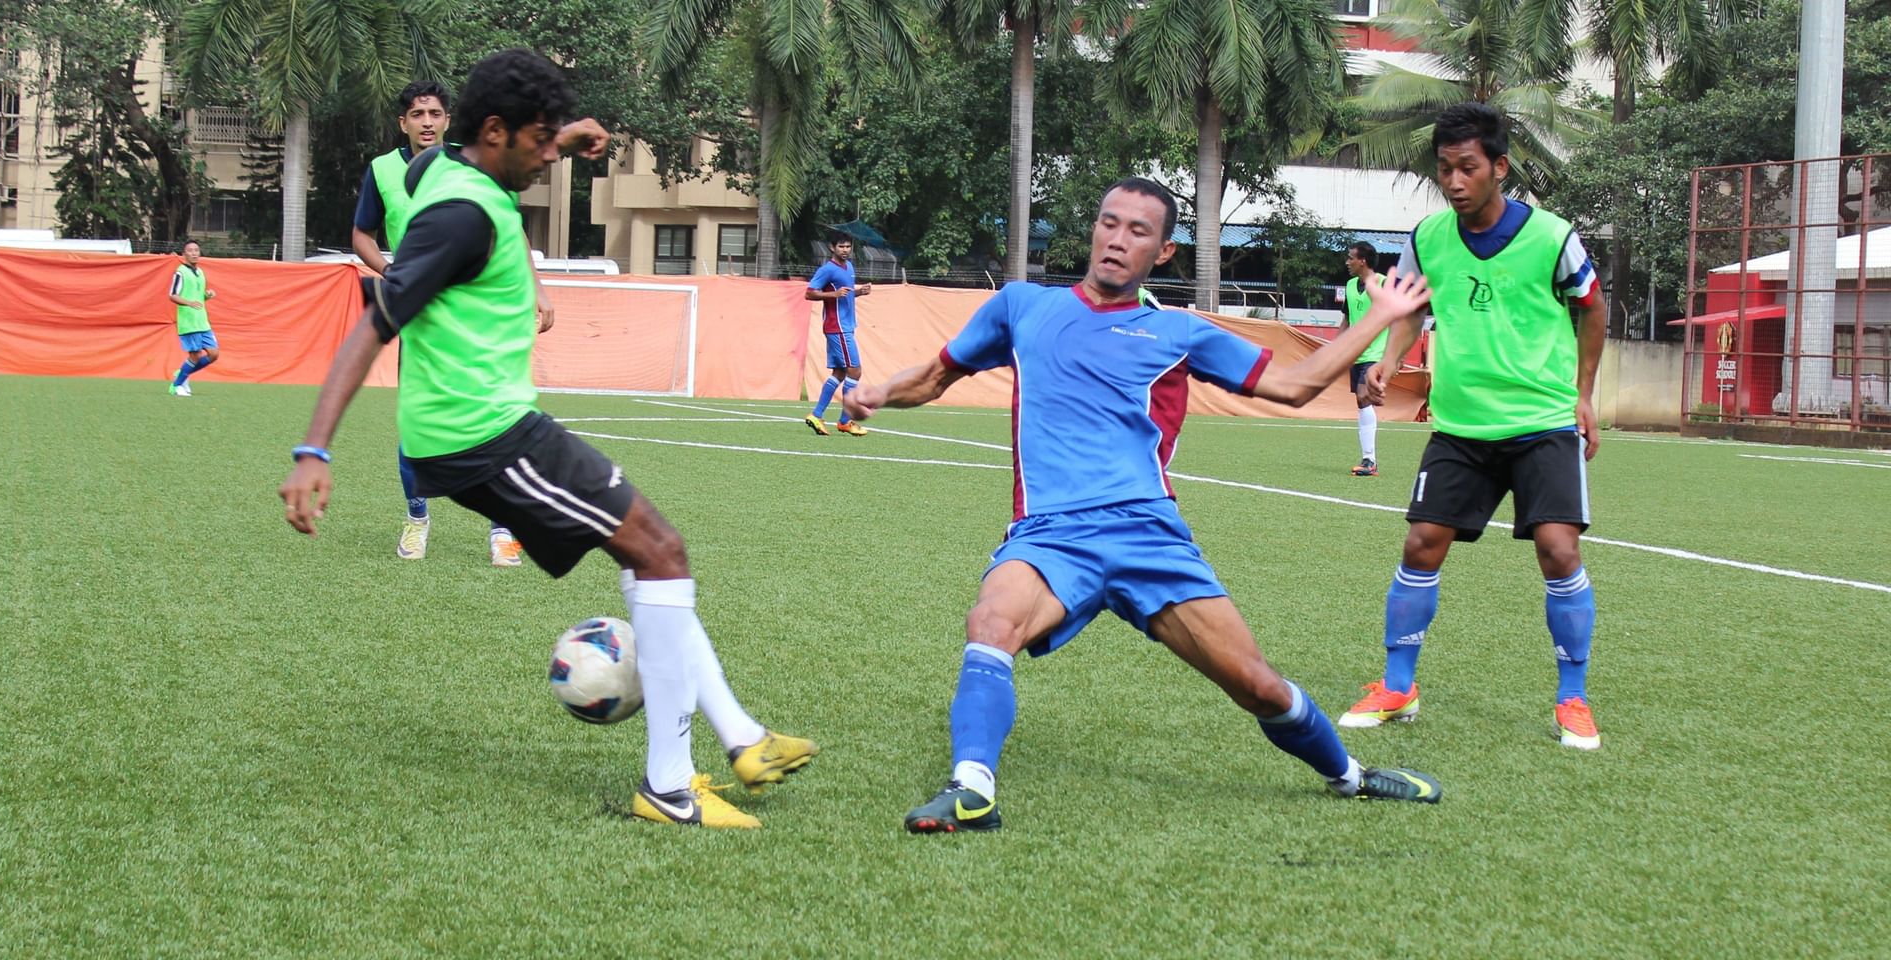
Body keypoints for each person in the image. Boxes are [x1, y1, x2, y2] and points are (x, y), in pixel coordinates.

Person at [280, 49, 817, 829]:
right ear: (494, 133)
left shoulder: (446, 172)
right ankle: (671, 787)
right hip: (483, 435)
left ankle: (742, 738)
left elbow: (465, 156)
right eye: (536, 142)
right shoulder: (460, 215)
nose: (545, 157)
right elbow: (374, 324)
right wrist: (314, 448)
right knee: (662, 550)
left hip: (486, 425)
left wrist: (563, 134)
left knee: (650, 552)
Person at [844, 177, 1443, 834]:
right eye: (1109, 222)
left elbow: (1297, 385)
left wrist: (1380, 318)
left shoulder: (1178, 331)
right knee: (991, 622)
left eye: (1137, 231)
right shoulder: (1021, 307)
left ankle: (1351, 775)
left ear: (1162, 252)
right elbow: (934, 374)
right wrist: (877, 391)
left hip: (1148, 537)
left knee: (1258, 684)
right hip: (1051, 535)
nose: (1116, 238)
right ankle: (971, 788)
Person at [1339, 102, 1607, 750]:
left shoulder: (1552, 236)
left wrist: (1584, 394)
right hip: (1461, 426)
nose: (1454, 182)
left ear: (1499, 167)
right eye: (1444, 170)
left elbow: (1594, 307)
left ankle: (1572, 697)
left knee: (1559, 550)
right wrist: (1389, 361)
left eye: (1467, 168)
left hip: (1542, 420)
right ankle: (1399, 685)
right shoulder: (1429, 236)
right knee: (1421, 544)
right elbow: (1409, 307)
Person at [352, 80, 531, 566]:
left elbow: (508, 225)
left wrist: (539, 289)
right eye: (417, 114)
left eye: (434, 112)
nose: (426, 121)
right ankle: (416, 520)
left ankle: (502, 529)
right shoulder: (383, 170)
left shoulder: (472, 162)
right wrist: (396, 274)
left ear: (448, 120)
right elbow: (361, 236)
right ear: (403, 123)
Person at [801, 230, 874, 437]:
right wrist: (833, 293)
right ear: (832, 248)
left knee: (840, 373)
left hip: (846, 326)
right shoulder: (827, 269)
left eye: (848, 246)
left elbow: (845, 295)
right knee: (855, 371)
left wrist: (859, 292)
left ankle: (817, 415)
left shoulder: (849, 267)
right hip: (838, 327)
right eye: (841, 246)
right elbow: (809, 293)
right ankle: (844, 421)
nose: (845, 250)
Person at [1339, 242, 1388, 476]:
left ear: (1363, 261)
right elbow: (1347, 320)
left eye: (1351, 258)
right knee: (1361, 402)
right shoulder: (1349, 285)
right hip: (1357, 354)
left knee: (1363, 397)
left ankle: (1370, 461)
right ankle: (1368, 460)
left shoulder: (1384, 284)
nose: (1347, 262)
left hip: (1376, 354)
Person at [167, 240, 218, 397]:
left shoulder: (200, 272)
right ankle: (176, 386)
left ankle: (182, 373)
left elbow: (197, 298)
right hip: (189, 322)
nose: (194, 253)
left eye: (196, 250)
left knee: (214, 354)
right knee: (195, 355)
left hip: (202, 321)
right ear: (184, 254)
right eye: (190, 250)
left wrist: (206, 296)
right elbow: (172, 295)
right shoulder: (180, 272)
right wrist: (188, 303)